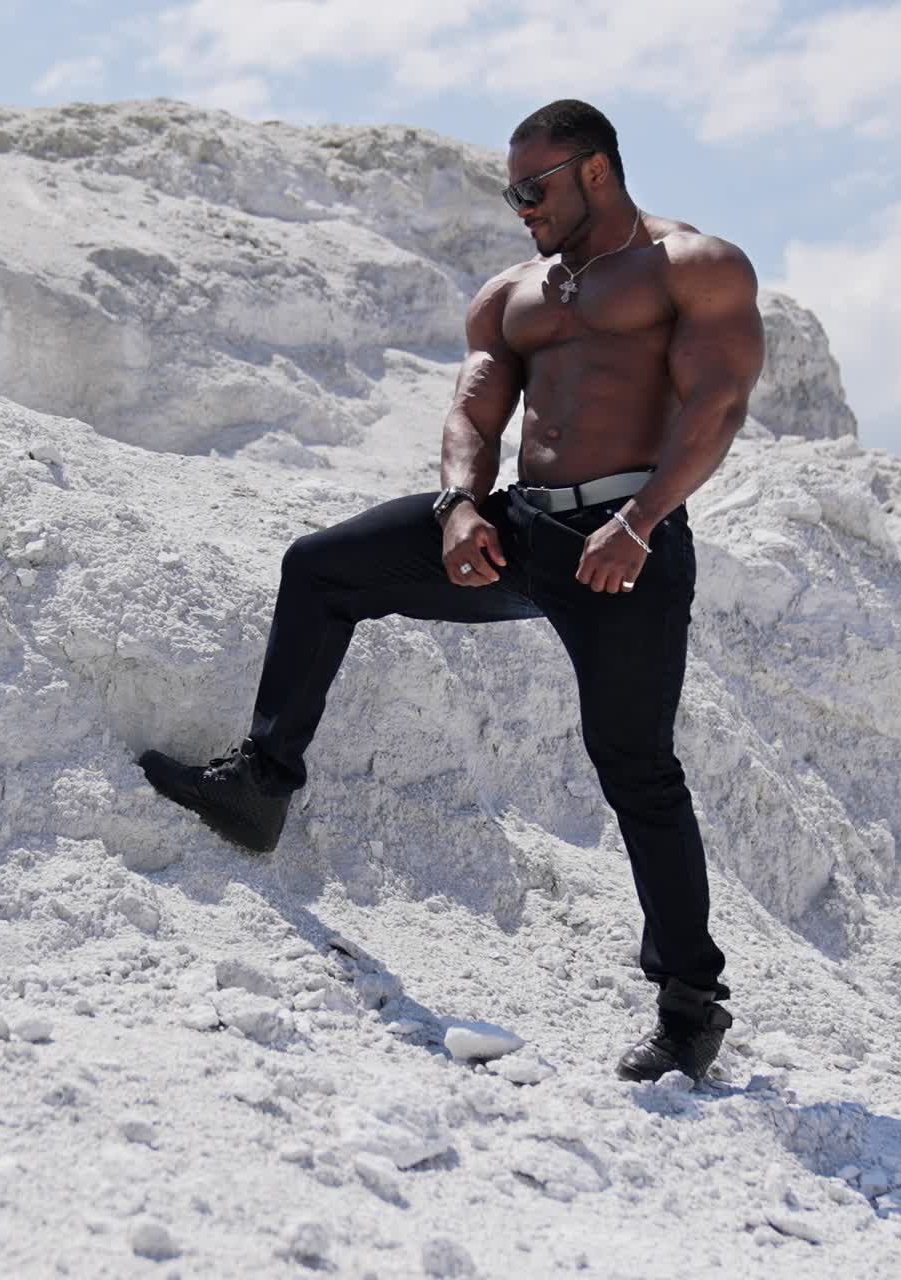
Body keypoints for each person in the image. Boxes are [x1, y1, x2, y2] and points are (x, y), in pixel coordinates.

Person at [140, 100, 764, 1083]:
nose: (522, 209)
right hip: (522, 526)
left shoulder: (691, 265)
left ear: (595, 170)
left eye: (534, 189)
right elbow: (474, 410)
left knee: (635, 765)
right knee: (322, 566)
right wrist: (458, 507)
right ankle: (261, 784)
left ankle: (689, 1008)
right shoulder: (513, 293)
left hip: (628, 543)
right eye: (510, 193)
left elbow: (717, 404)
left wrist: (642, 520)